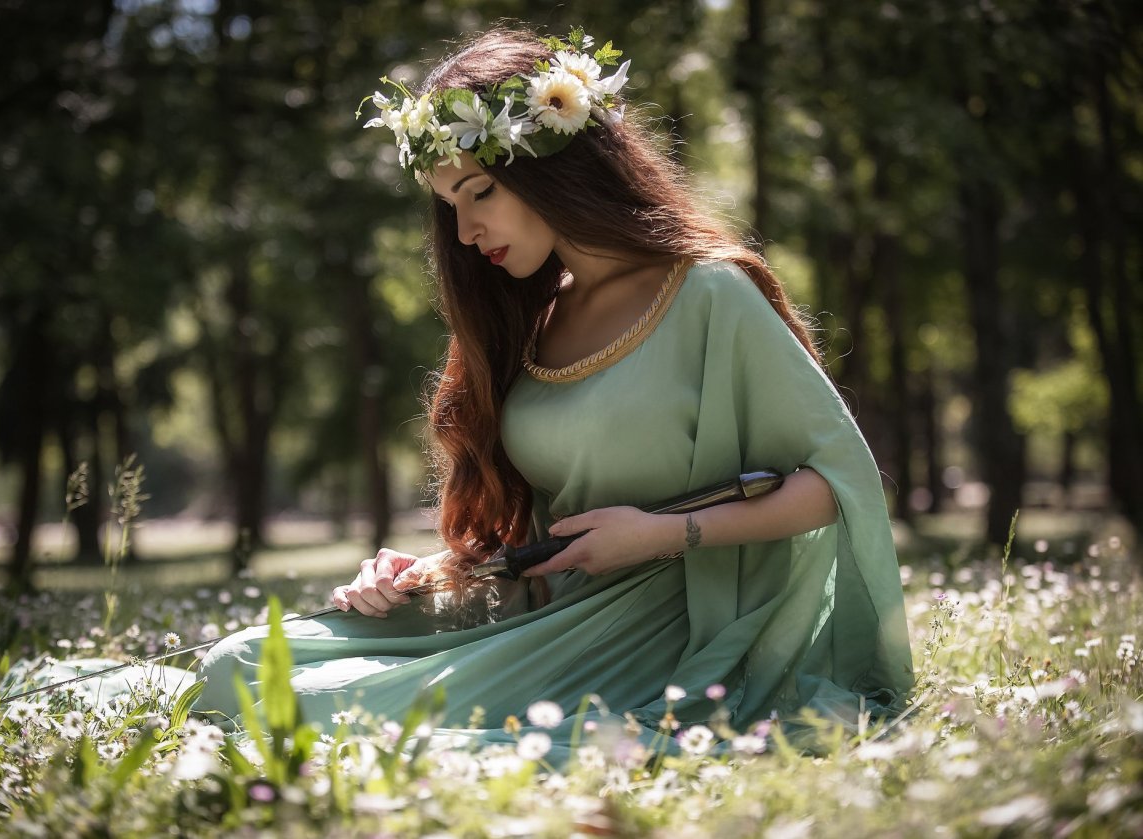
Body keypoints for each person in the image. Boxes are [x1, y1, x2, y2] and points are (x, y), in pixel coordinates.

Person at [192, 25, 913, 761]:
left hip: (670, 628)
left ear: (553, 164)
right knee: (235, 664)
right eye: (450, 208)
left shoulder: (709, 293)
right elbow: (543, 524)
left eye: (480, 193)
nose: (467, 232)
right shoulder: (526, 319)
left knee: (301, 701)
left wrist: (665, 533)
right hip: (540, 600)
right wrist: (428, 571)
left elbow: (835, 483)